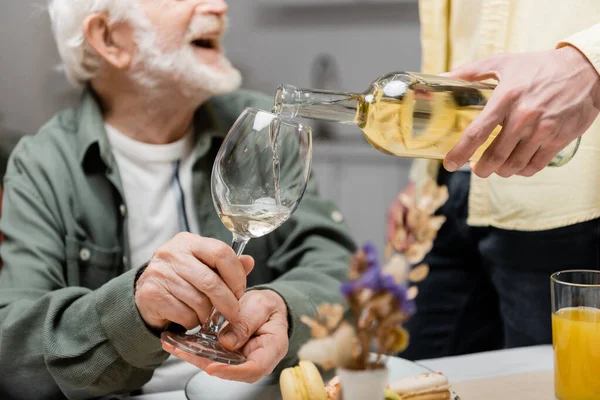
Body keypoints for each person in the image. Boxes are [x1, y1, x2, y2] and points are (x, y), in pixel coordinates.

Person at [0, 0, 356, 398]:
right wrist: (132, 311)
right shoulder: (43, 163)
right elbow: (13, 356)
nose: (220, 7)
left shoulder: (262, 132)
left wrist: (285, 308)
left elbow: (341, 269)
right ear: (108, 38)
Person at [390, 0, 600, 360]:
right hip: (448, 191)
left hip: (576, 191)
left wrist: (589, 63)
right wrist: (422, 176)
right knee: (418, 381)